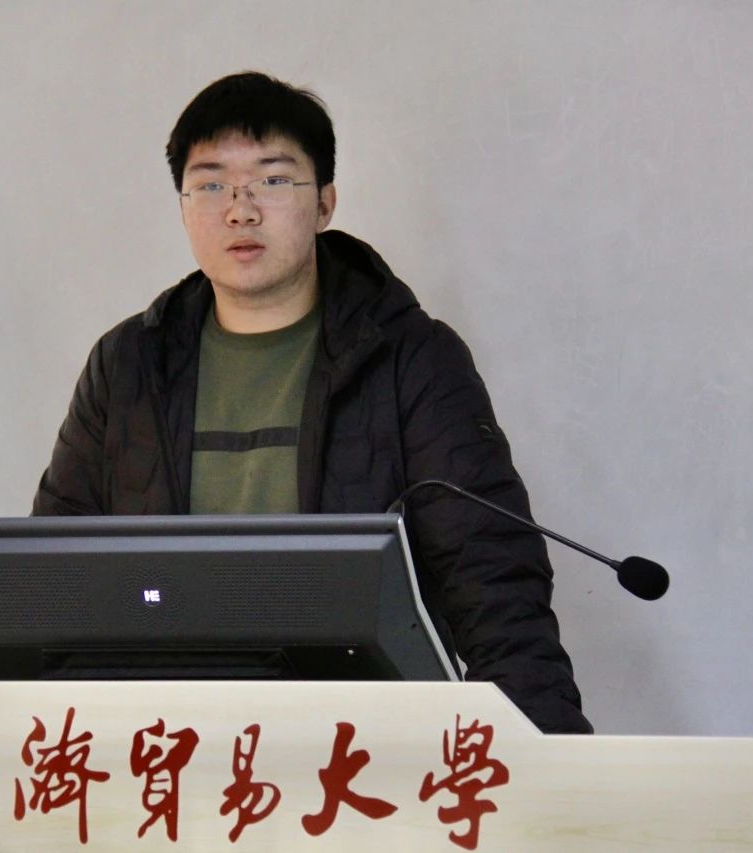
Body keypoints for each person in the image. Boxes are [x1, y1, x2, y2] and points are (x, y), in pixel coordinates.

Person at [32, 71, 591, 734]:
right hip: (169, 741)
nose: (239, 210)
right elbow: (54, 585)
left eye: (272, 180)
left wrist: (545, 758)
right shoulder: (128, 365)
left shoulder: (410, 357)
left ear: (325, 202)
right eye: (210, 185)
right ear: (182, 207)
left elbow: (493, 582)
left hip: (362, 742)